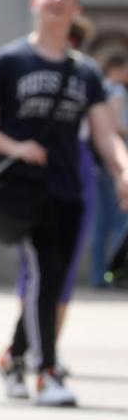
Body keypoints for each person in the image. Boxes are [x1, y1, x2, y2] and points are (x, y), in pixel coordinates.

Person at [0, 0, 128, 407]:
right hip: (26, 190)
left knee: (53, 279)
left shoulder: (85, 71)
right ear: (34, 3)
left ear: (75, 11)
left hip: (70, 189)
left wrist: (123, 170)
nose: (59, 0)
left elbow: (105, 133)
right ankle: (46, 372)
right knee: (46, 275)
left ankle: (14, 356)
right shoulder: (10, 60)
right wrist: (17, 147)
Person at [89, 54, 128, 288]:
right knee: (118, 222)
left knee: (101, 223)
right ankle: (113, 274)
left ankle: (99, 276)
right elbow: (112, 129)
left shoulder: (100, 87)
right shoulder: (115, 91)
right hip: (115, 161)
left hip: (99, 161)